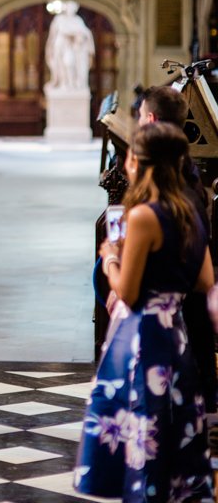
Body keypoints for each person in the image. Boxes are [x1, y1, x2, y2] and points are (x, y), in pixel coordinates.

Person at [75, 122, 214, 503]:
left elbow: (129, 291)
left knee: (144, 427)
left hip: (143, 335)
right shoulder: (192, 208)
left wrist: (109, 260)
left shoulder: (143, 216)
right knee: (174, 423)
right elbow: (204, 280)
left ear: (138, 162)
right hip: (176, 331)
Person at [138, 84, 216, 412]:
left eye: (141, 116)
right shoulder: (189, 175)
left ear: (152, 119)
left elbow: (128, 291)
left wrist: (113, 259)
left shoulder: (166, 197)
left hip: (168, 311)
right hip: (187, 300)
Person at [45, 1, 95, 91]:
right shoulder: (59, 19)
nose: (71, 8)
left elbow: (86, 33)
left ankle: (72, 83)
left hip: (72, 48)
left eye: (73, 6)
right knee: (61, 65)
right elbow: (54, 35)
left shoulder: (77, 20)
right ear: (66, 7)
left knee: (69, 63)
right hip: (60, 46)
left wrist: (78, 36)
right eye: (69, 6)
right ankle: (63, 83)